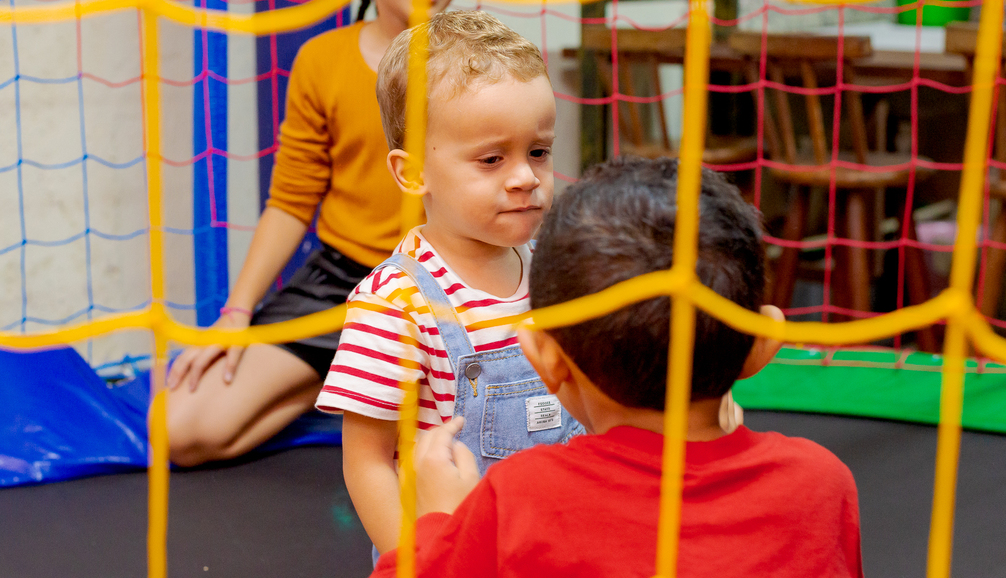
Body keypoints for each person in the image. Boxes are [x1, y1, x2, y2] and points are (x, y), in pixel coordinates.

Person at [370, 157, 865, 578]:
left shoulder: (522, 497)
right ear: (763, 343)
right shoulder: (823, 485)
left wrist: (439, 521)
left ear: (545, 357)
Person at [163, 0, 471, 467]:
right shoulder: (322, 61)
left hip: (448, 288)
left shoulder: (481, 65)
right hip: (341, 287)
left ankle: (372, 378)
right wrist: (236, 314)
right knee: (182, 428)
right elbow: (290, 201)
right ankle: (338, 377)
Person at [315, 10, 584, 555]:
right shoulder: (396, 303)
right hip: (454, 555)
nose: (525, 177)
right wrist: (415, 564)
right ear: (413, 173)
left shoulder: (554, 272)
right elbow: (366, 463)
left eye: (538, 152)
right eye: (491, 159)